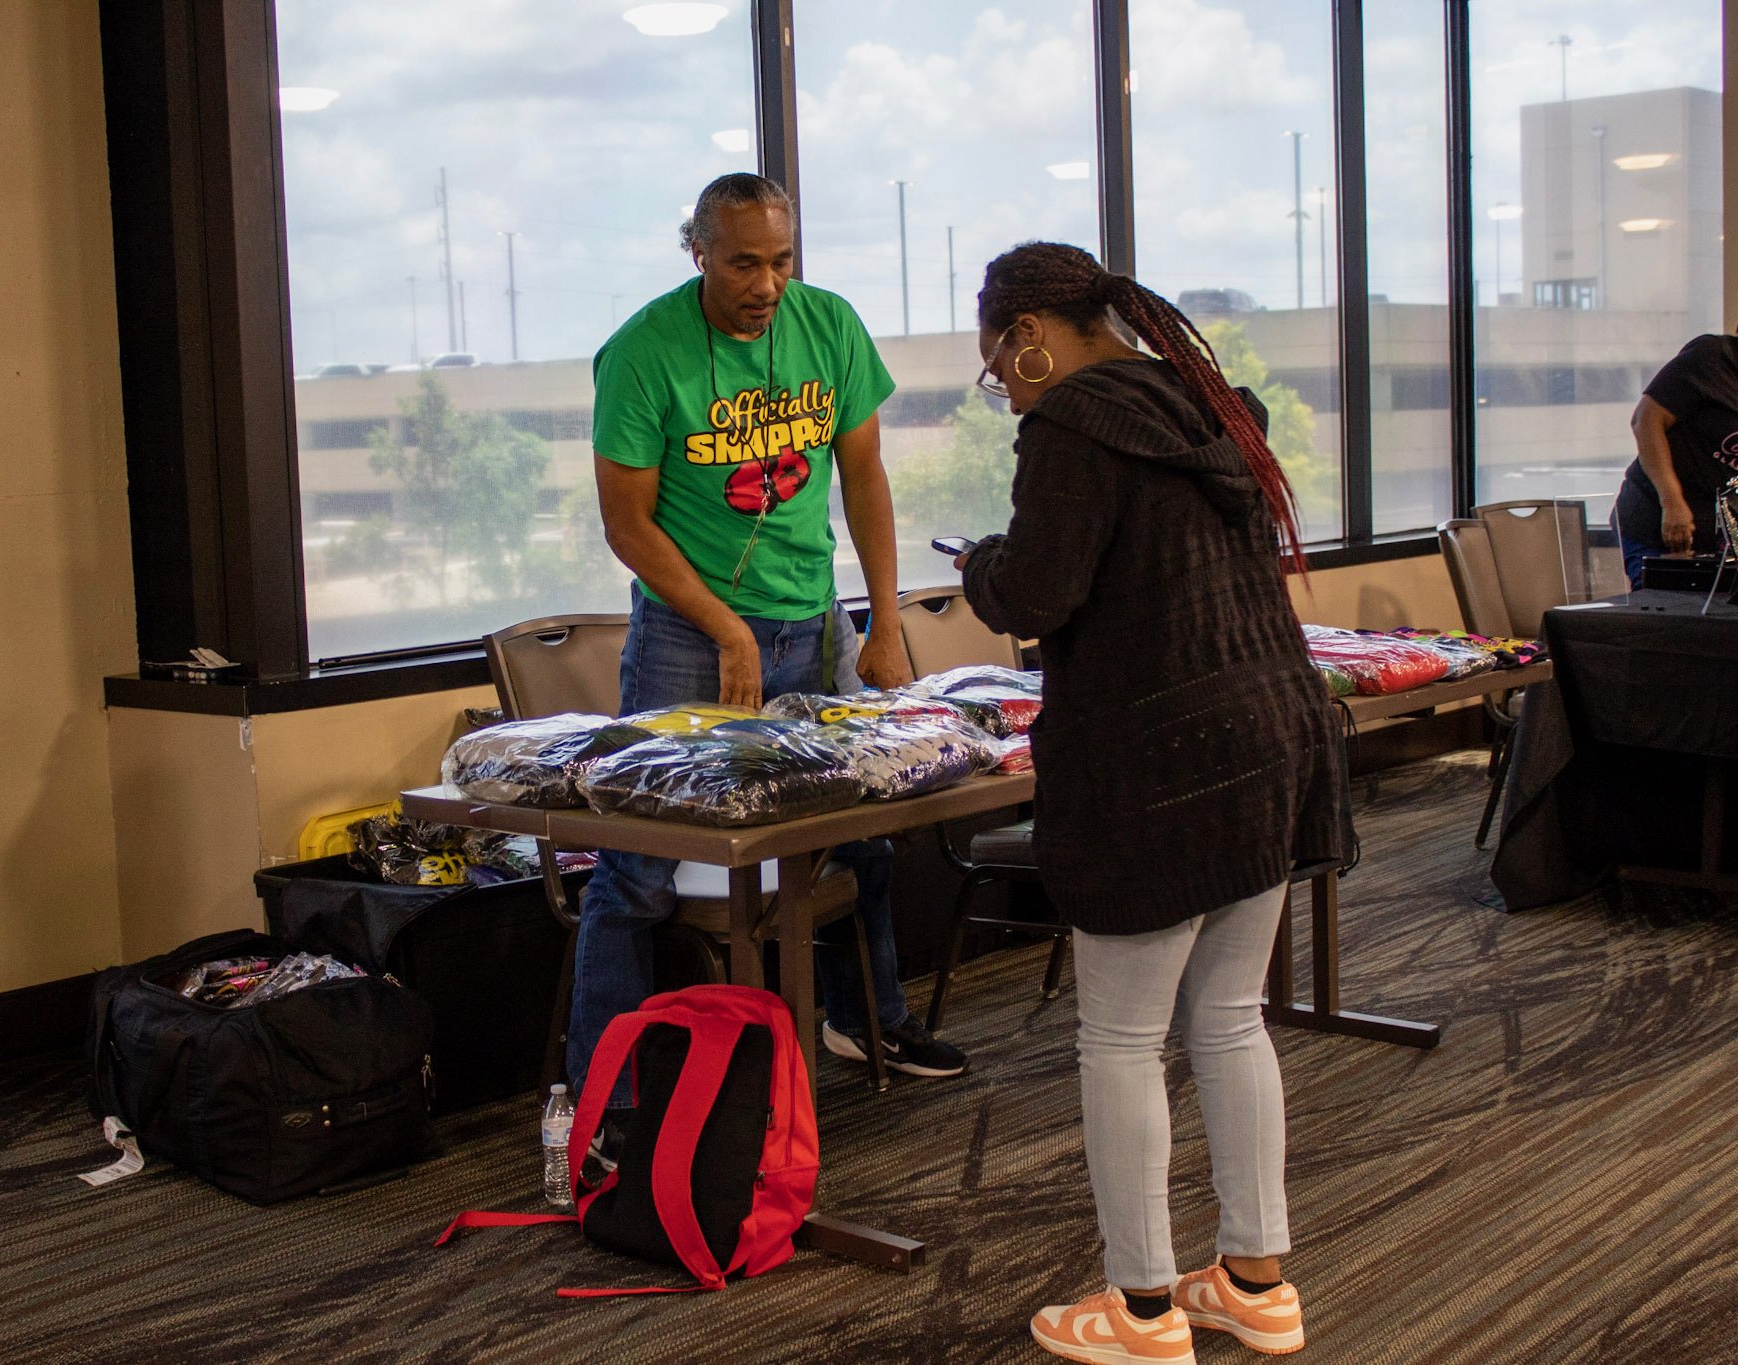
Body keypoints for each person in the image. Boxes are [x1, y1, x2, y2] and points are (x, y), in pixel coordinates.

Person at [957, 243, 1347, 1365]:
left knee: (1119, 1040)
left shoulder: (1073, 426)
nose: (1006, 388)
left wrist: (981, 562)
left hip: (1157, 759)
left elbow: (1037, 589)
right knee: (1228, 1020)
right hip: (1269, 727)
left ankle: (1135, 1313)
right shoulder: (1211, 408)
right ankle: (1255, 1283)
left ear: (1029, 333)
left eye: (1000, 366)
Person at [571, 172, 967, 1103]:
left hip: (814, 623)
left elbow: (862, 476)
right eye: (744, 262)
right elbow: (627, 525)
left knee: (857, 832)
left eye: (780, 260)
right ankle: (608, 1094)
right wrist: (723, 628)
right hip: (684, 636)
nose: (766, 283)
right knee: (638, 864)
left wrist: (882, 622)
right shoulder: (641, 353)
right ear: (697, 252)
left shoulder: (827, 325)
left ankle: (868, 1024)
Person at [1616, 287, 1738, 588]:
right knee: (1667, 617)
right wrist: (1672, 502)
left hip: (1721, 535)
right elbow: (1645, 420)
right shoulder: (1714, 357)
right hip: (1660, 522)